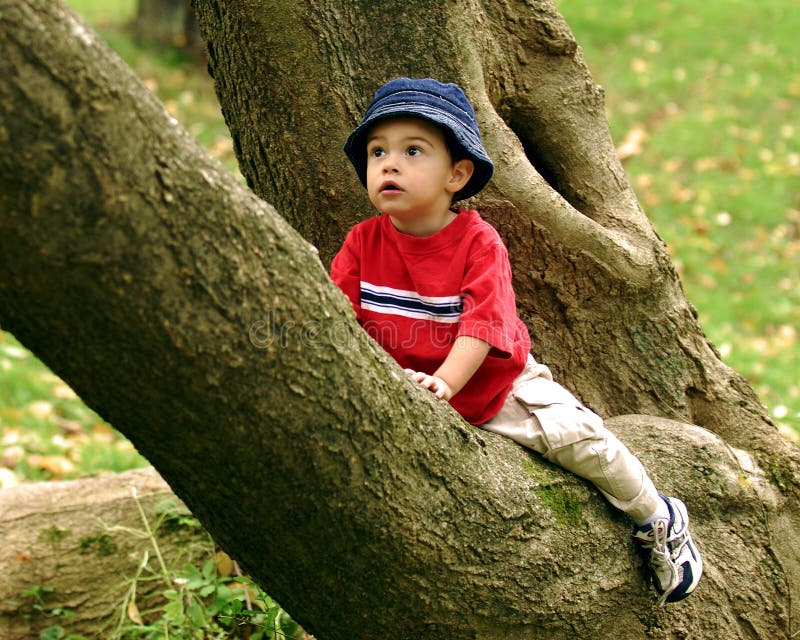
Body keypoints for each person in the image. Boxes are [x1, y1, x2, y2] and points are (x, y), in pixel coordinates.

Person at [330, 76, 702, 605]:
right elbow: (336, 319)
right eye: (377, 152)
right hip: (406, 383)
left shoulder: (478, 242)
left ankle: (658, 517)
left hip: (491, 384)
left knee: (581, 441)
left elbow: (482, 326)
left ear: (457, 174)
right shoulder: (363, 242)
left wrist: (444, 383)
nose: (389, 164)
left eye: (413, 151)